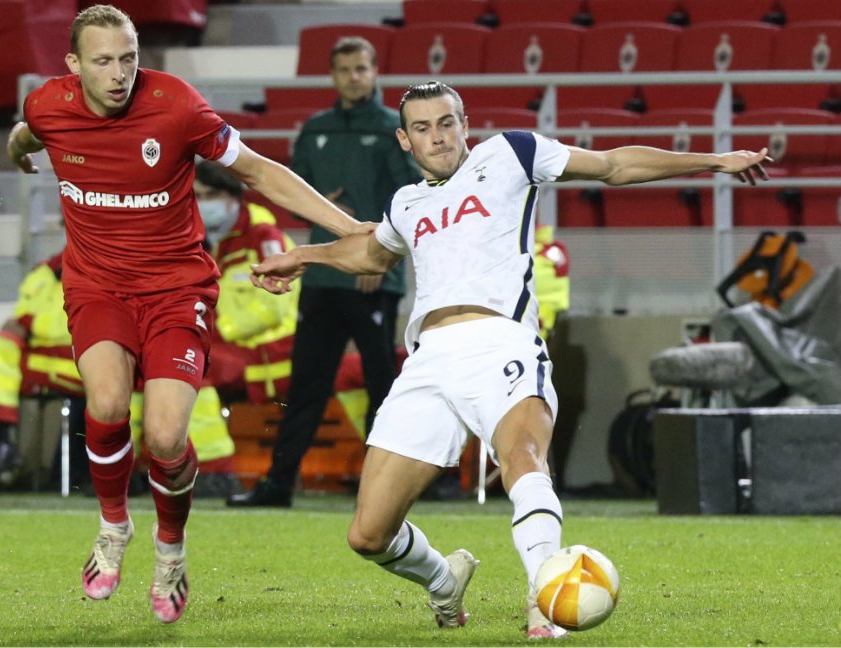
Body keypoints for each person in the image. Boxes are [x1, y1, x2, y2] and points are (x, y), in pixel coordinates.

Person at [249, 81, 770, 638]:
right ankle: (444, 581)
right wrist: (303, 255)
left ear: (465, 124)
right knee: (369, 535)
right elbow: (371, 250)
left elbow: (613, 166)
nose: (438, 136)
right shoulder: (405, 203)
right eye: (422, 128)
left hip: (502, 342)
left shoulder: (511, 154)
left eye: (447, 123)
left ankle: (545, 599)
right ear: (404, 140)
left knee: (522, 458)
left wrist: (714, 160)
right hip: (427, 363)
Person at [6, 4, 367, 624]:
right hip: (97, 285)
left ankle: (169, 548)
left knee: (168, 437)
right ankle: (113, 527)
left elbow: (256, 171)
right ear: (73, 66)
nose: (119, 74)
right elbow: (27, 130)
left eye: (129, 58)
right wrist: (19, 151)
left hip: (176, 288)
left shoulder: (176, 106)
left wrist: (349, 228)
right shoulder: (48, 105)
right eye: (103, 62)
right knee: (108, 404)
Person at [227, 35, 421, 508]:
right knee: (306, 384)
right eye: (345, 70)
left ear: (375, 73)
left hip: (373, 276)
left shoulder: (394, 129)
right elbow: (298, 190)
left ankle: (388, 491)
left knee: (383, 385)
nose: (354, 77)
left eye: (361, 68)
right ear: (332, 76)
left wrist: (380, 258)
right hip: (322, 274)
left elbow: (408, 200)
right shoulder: (316, 129)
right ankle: (277, 485)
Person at [0, 250, 144, 493]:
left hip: (88, 359)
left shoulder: (109, 269)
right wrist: (27, 323)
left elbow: (81, 324)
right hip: (46, 360)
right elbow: (25, 315)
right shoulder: (42, 273)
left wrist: (30, 323)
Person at [188, 159, 299, 497]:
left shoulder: (264, 239)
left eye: (209, 195)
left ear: (232, 195)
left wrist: (215, 329)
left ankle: (217, 471)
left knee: (188, 368)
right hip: (230, 351)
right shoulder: (200, 241)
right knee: (161, 364)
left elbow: (272, 310)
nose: (202, 204)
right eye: (196, 196)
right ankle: (127, 470)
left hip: (272, 351)